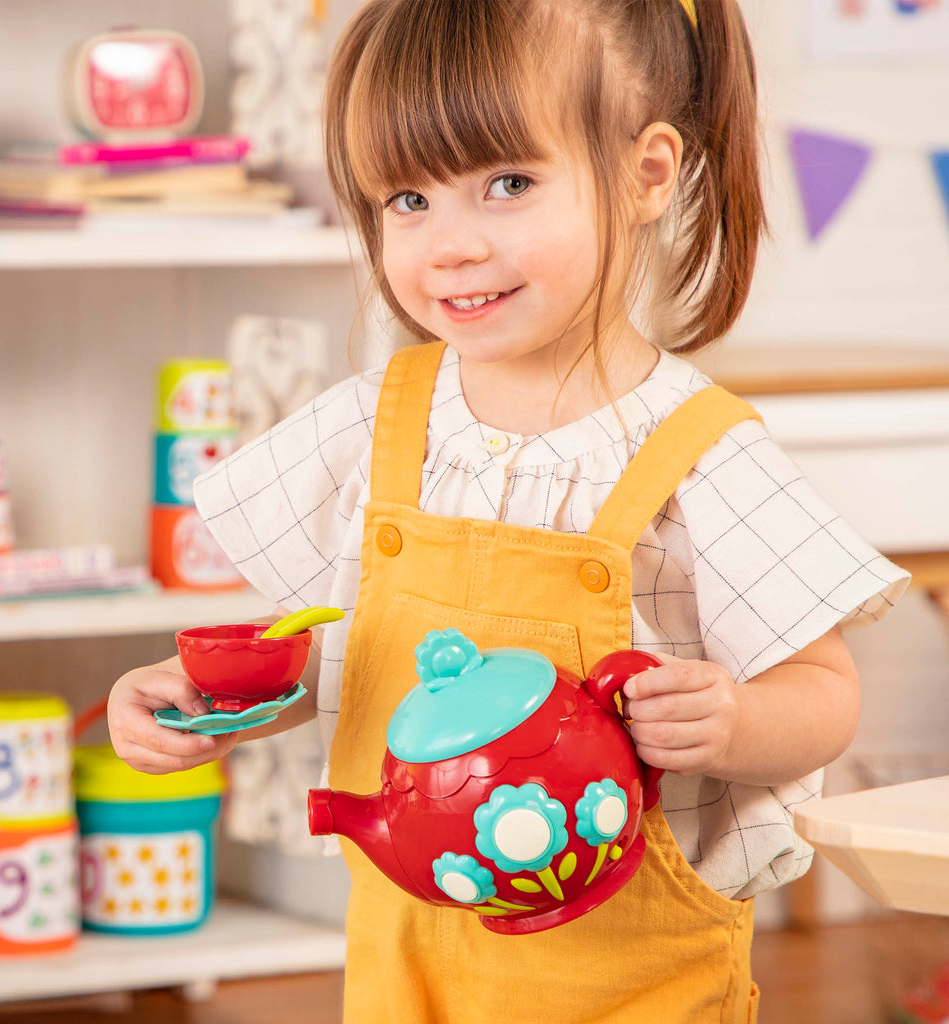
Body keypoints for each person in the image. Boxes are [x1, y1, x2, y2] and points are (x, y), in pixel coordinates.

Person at [108, 1, 909, 1020]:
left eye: (507, 184)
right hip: (408, 962)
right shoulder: (378, 422)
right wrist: (218, 695)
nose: (447, 246)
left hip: (626, 977)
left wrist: (736, 719)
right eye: (407, 199)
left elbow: (826, 692)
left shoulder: (697, 452)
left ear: (645, 174)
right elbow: (363, 648)